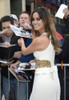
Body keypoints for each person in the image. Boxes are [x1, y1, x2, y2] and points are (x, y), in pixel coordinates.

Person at [18, 6, 61, 100]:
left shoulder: (39, 40)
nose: (34, 22)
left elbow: (25, 52)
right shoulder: (52, 36)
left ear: (45, 20)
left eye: (38, 19)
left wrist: (21, 43)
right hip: (52, 77)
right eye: (33, 19)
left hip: (43, 78)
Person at [10, 11, 34, 100]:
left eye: (26, 18)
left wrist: (20, 58)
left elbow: (30, 52)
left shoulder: (32, 34)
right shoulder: (15, 32)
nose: (23, 19)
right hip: (13, 70)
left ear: (30, 21)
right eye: (21, 18)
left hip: (26, 71)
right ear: (19, 21)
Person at [0, 15, 21, 100]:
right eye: (4, 28)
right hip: (5, 75)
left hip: (19, 74)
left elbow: (28, 52)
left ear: (13, 25)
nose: (6, 30)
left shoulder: (19, 36)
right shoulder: (0, 38)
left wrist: (21, 53)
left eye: (8, 27)